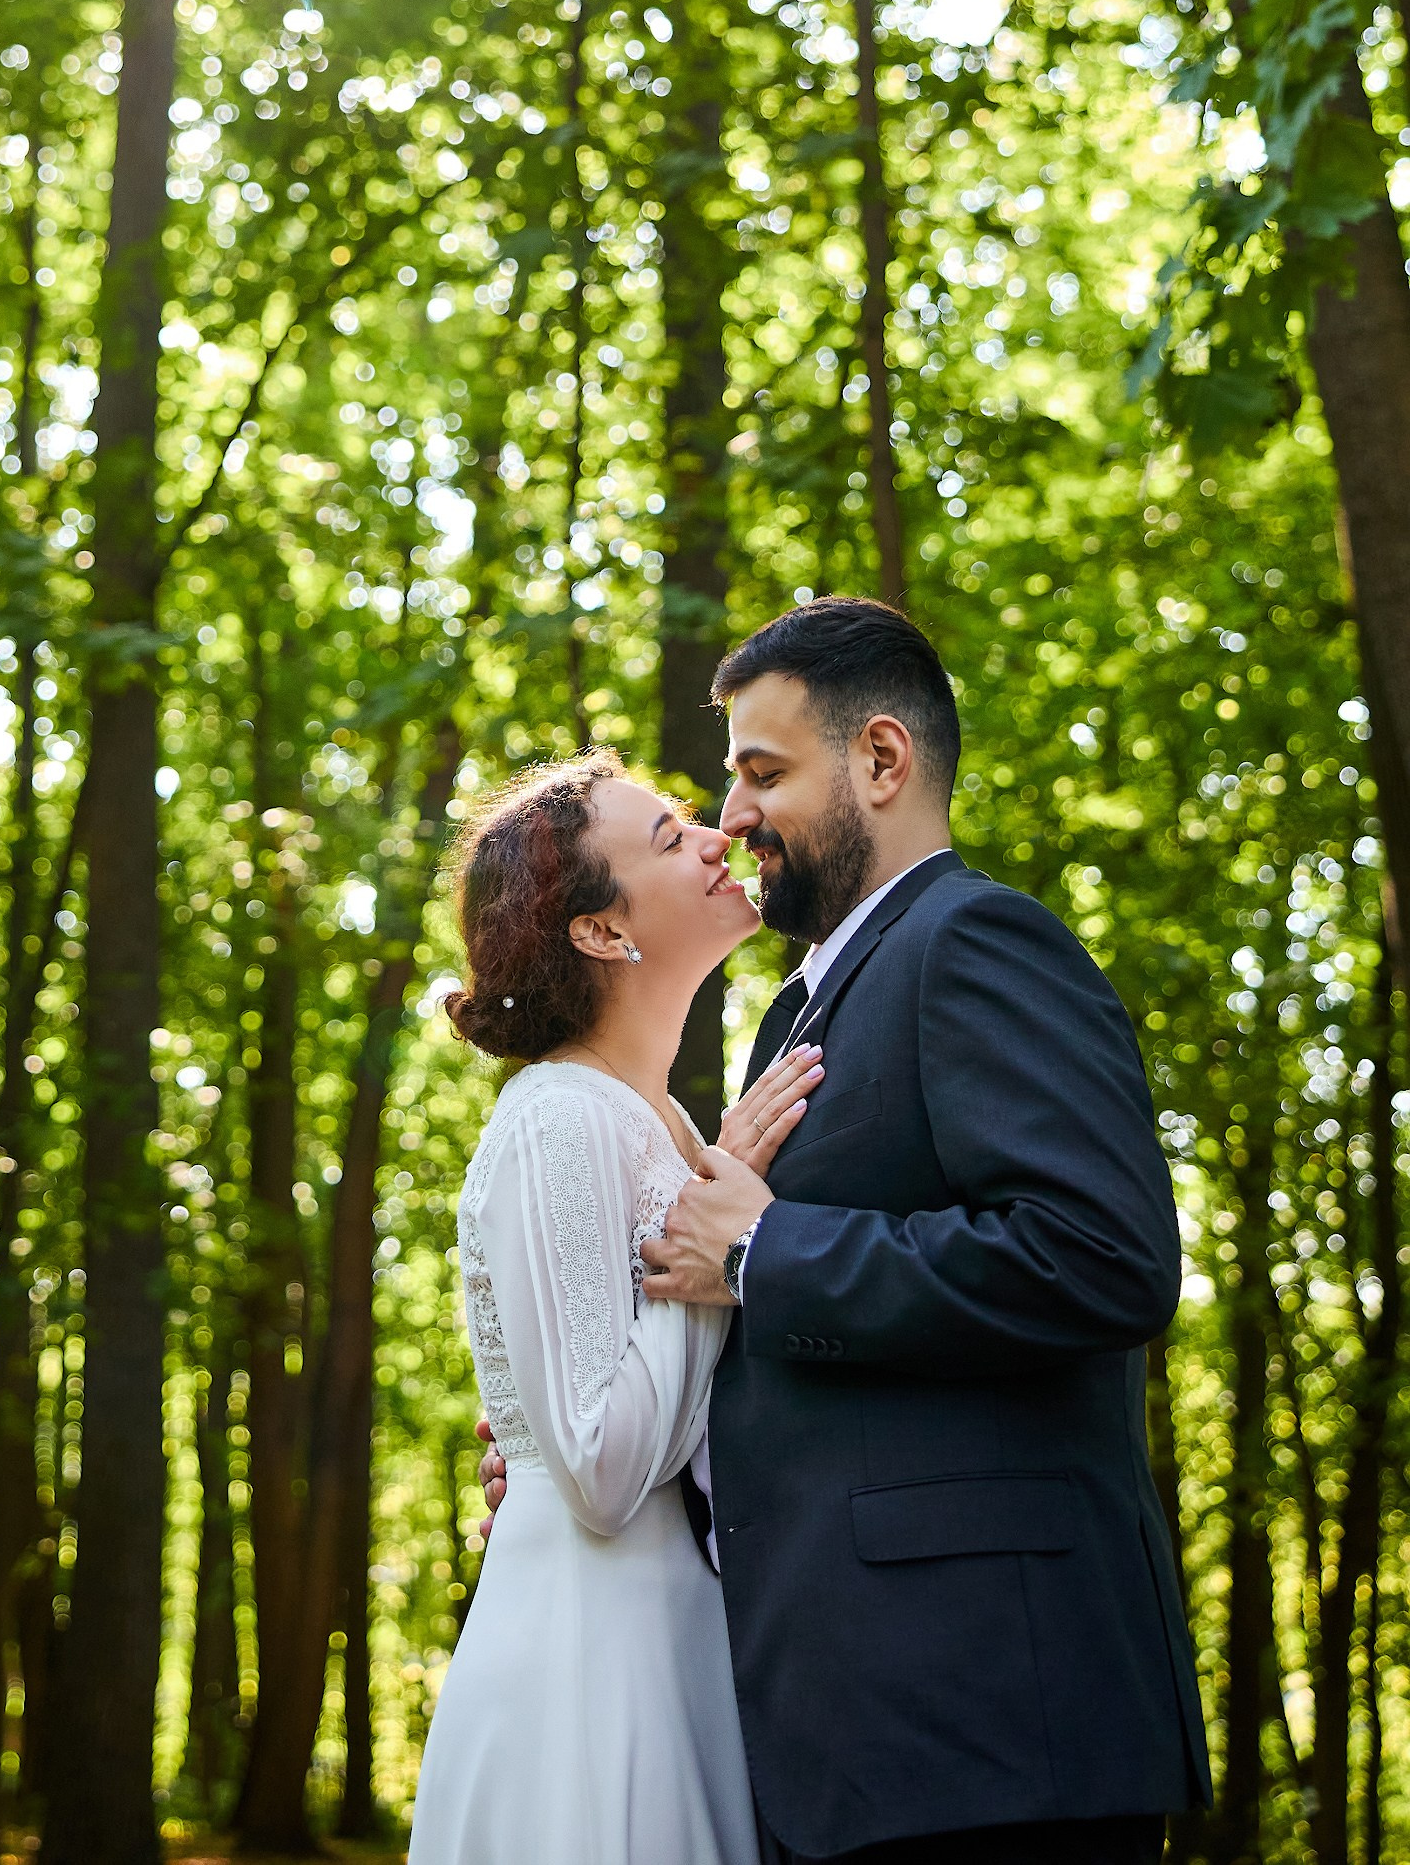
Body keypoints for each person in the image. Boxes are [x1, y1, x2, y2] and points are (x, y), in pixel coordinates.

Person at [485, 596, 1209, 1865]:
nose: (733, 817)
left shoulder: (972, 939)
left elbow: (1103, 1254)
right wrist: (616, 1483)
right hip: (838, 1724)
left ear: (881, 759)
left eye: (763, 772)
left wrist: (767, 1253)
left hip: (988, 1719)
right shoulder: (792, 1016)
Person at [407, 747, 826, 1865]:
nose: (713, 836)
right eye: (666, 834)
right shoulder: (557, 1117)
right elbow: (595, 1466)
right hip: (590, 1659)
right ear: (599, 930)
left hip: (676, 1627)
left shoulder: (672, 1125)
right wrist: (710, 1237)